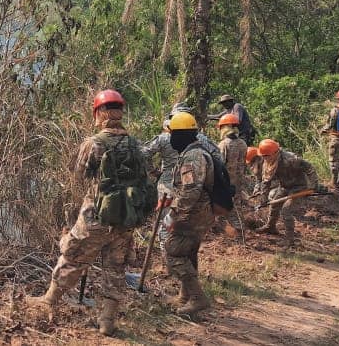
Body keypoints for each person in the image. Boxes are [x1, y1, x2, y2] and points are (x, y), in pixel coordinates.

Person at [29, 90, 149, 336]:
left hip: (96, 215)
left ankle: (49, 300)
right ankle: (107, 321)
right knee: (115, 268)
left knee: (73, 256)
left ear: (98, 113)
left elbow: (79, 174)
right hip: (125, 217)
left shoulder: (94, 143)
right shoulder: (136, 144)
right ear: (120, 112)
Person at [159, 112, 214, 316]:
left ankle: (198, 299)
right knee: (188, 253)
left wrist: (172, 214)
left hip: (193, 215)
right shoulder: (195, 151)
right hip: (200, 213)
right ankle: (186, 295)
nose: (171, 138)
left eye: (173, 134)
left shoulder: (192, 156)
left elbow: (191, 191)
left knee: (172, 250)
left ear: (180, 135)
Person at [253, 139, 320, 246]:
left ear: (274, 153)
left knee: (286, 210)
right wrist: (263, 198)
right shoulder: (268, 163)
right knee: (274, 204)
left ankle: (289, 239)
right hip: (284, 186)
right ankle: (271, 227)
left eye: (266, 156)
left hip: (299, 187)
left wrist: (314, 185)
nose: (264, 158)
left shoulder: (291, 159)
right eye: (263, 156)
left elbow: (310, 168)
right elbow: (266, 182)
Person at [216, 114, 248, 236]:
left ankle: (238, 230)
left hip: (227, 181)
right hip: (239, 180)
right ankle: (237, 228)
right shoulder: (243, 144)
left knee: (228, 204)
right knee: (237, 204)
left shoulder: (224, 144)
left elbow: (220, 164)